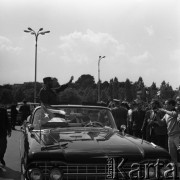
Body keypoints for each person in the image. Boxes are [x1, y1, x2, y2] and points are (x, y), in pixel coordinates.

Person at [158, 99, 180, 165]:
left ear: (171, 105)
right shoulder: (166, 114)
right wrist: (157, 116)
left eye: (166, 104)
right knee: (172, 155)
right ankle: (174, 170)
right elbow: (161, 123)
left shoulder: (176, 111)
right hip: (170, 136)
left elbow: (174, 114)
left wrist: (163, 110)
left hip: (177, 135)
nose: (165, 105)